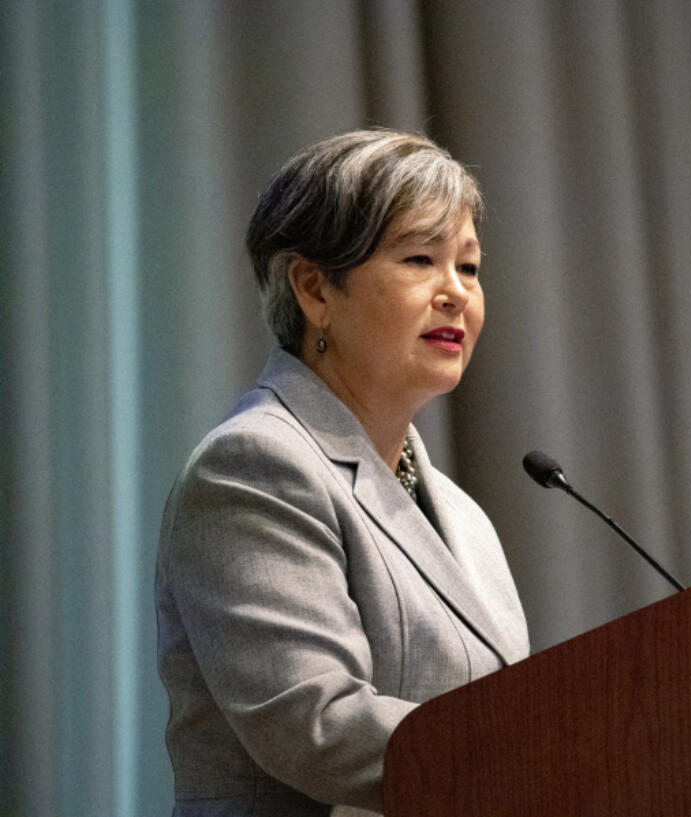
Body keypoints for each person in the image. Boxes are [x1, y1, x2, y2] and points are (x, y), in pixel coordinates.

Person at [155, 129, 530, 817]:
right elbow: (317, 724)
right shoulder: (253, 467)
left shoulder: (461, 515)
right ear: (313, 288)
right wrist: (547, 757)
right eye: (421, 258)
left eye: (469, 267)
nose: (455, 292)